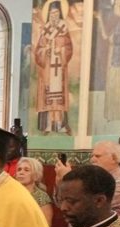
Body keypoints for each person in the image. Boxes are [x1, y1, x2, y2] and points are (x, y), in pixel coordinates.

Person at [59, 141, 120, 218]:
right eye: (92, 156)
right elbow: (61, 204)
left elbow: (89, 205)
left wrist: (68, 181)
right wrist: (60, 181)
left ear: (114, 158)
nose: (92, 159)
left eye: (97, 156)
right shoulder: (89, 178)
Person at [34, 0, 74, 134]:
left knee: (59, 97)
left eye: (56, 13)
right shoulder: (45, 30)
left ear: (60, 13)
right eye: (51, 13)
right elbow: (38, 49)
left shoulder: (63, 28)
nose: (54, 16)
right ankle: (48, 125)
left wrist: (60, 49)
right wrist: (45, 51)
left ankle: (61, 125)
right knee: (47, 96)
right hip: (48, 70)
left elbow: (69, 47)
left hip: (59, 68)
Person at [16, 156, 54, 225]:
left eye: (26, 170)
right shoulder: (11, 193)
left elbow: (46, 226)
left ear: (36, 175)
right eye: (19, 169)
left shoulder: (42, 197)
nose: (21, 172)